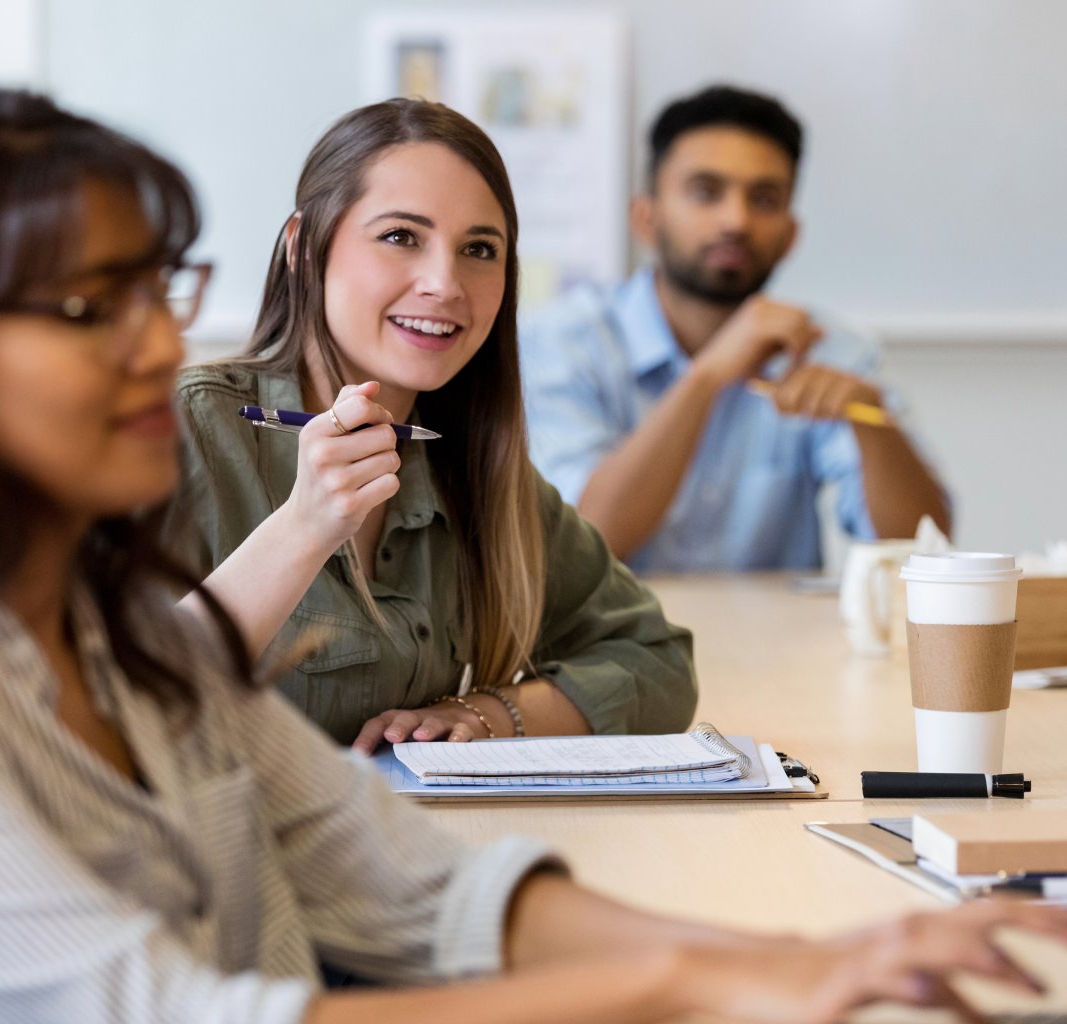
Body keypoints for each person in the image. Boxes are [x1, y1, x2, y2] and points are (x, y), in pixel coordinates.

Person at [0, 85, 1067, 1024]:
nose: (157, 342)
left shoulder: (133, 652)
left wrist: (802, 958)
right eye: (86, 309)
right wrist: (701, 982)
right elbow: (175, 1009)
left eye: (159, 293)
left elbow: (421, 884)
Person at [164, 98, 697, 750]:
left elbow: (657, 662)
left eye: (479, 248)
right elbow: (108, 700)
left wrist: (490, 715)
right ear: (304, 247)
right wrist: (305, 525)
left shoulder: (469, 462)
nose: (445, 283)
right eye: (399, 237)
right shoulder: (185, 428)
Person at [520, 85, 952, 572]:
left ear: (791, 235)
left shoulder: (828, 350)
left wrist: (875, 426)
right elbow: (581, 544)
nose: (736, 220)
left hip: (777, 646)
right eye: (706, 192)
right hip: (606, 646)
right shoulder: (561, 341)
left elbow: (924, 550)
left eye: (764, 199)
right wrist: (706, 378)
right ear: (647, 218)